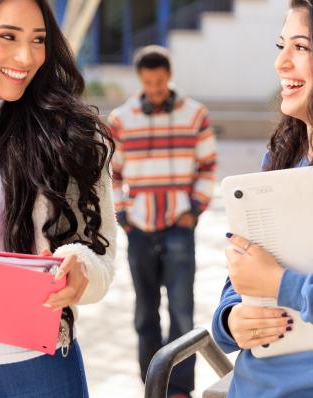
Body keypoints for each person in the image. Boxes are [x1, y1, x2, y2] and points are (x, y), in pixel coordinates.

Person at [0, 0, 117, 398]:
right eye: (9, 37)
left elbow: (102, 257)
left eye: (38, 40)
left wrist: (79, 271)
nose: (26, 57)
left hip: (38, 371)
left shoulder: (72, 135)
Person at [212, 0, 313, 398]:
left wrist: (280, 283)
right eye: (281, 45)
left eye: (301, 47)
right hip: (254, 385)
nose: (281, 62)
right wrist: (231, 320)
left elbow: (269, 277)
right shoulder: (282, 155)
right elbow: (241, 269)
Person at [108, 45, 217, 398]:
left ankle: (181, 390)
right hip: (139, 229)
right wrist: (123, 216)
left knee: (183, 313)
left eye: (160, 81)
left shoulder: (195, 115)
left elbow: (207, 166)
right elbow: (114, 174)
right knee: (145, 315)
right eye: (148, 82)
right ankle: (153, 388)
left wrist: (194, 210)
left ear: (169, 76)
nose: (155, 88)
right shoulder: (122, 120)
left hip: (178, 227)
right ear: (140, 79)